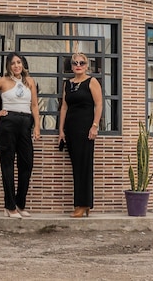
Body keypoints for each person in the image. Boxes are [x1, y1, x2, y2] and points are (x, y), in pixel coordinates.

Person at [0, 53, 41, 218]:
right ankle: (10, 206)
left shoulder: (30, 81)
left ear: (23, 64)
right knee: (7, 164)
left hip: (25, 123)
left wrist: (37, 126)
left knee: (26, 164)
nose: (16, 66)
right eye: (13, 63)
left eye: (19, 62)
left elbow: (34, 105)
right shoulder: (3, 81)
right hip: (8, 123)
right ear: (9, 66)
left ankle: (20, 204)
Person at [58, 51, 102, 217]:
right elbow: (64, 107)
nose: (78, 65)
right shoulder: (67, 84)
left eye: (81, 63)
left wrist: (95, 126)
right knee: (76, 167)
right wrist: (61, 130)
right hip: (71, 130)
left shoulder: (92, 81)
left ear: (86, 66)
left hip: (85, 130)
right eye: (75, 63)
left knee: (84, 166)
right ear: (71, 66)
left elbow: (99, 105)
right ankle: (82, 204)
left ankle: (83, 204)